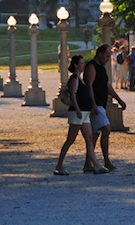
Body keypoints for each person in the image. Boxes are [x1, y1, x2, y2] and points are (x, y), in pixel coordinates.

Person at [53, 55, 109, 175]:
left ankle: (96, 165)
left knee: (89, 139)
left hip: (85, 113)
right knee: (71, 139)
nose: (84, 65)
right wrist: (78, 110)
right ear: (76, 65)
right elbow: (73, 95)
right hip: (77, 113)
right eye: (82, 64)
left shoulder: (81, 78)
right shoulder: (74, 79)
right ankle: (59, 165)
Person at [83, 44, 126, 172]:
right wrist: (93, 104)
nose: (108, 58)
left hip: (101, 104)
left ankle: (88, 164)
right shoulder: (92, 66)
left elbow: (107, 85)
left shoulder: (101, 67)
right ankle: (106, 161)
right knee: (106, 129)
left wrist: (119, 99)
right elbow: (88, 86)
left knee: (95, 135)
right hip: (95, 105)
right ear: (100, 54)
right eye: (107, 56)